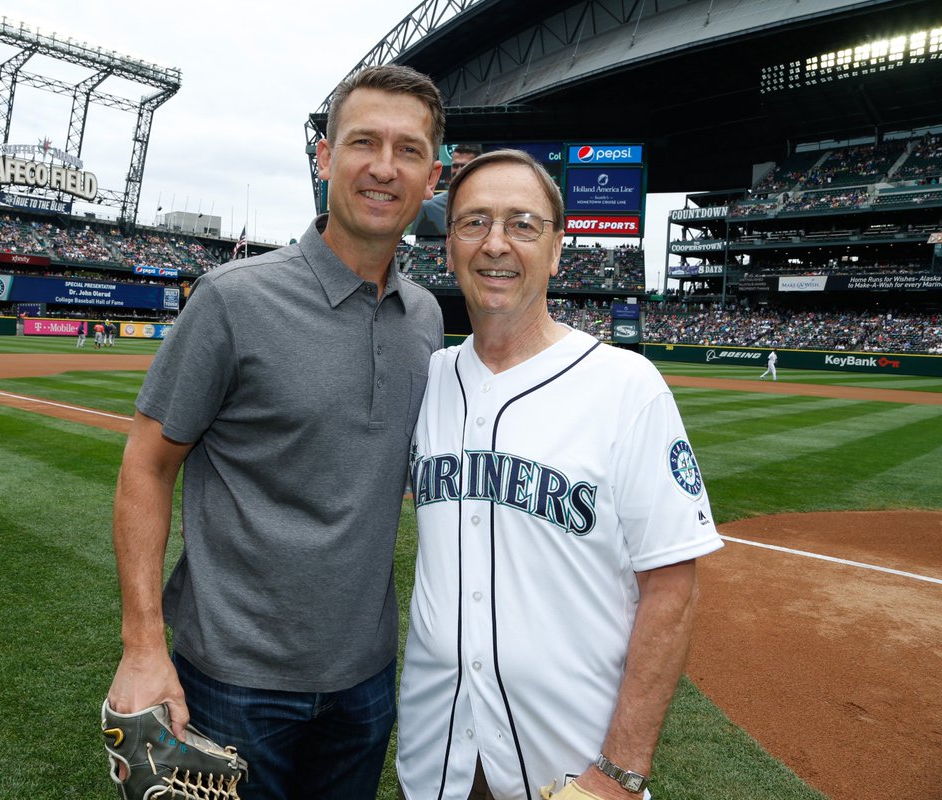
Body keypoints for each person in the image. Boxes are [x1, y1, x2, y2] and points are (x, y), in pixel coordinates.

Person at [106, 63, 446, 800]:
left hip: (364, 684)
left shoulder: (425, 319)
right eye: (363, 143)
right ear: (324, 159)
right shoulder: (233, 300)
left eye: (409, 150)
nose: (384, 167)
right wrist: (142, 646)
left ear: (433, 176)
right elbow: (146, 466)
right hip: (231, 682)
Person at [396, 150, 724, 800]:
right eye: (474, 223)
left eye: (523, 224)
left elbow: (671, 587)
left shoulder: (627, 386)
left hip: (572, 767)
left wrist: (622, 773)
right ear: (449, 246)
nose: (496, 244)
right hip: (435, 760)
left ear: (556, 249)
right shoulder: (426, 382)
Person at [412, 144, 482, 238]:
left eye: (465, 166)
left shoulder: (493, 204)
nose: (459, 171)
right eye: (455, 166)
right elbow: (419, 241)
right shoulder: (429, 207)